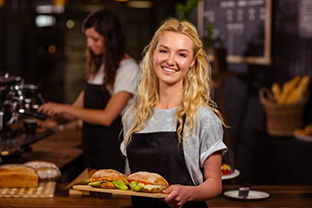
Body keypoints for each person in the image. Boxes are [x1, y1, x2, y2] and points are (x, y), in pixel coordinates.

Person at [121, 18, 227, 208]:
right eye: (163, 51)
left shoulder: (203, 117)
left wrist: (189, 192)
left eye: (181, 54)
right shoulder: (134, 116)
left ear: (193, 62)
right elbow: (132, 178)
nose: (170, 61)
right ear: (153, 54)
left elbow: (215, 184)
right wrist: (111, 188)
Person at [38, 9, 140, 173]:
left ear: (110, 38)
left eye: (95, 39)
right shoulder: (100, 67)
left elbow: (107, 117)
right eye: (88, 38)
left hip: (113, 150)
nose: (89, 44)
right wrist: (54, 120)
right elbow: (77, 109)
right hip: (92, 147)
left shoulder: (128, 69)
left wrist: (62, 107)